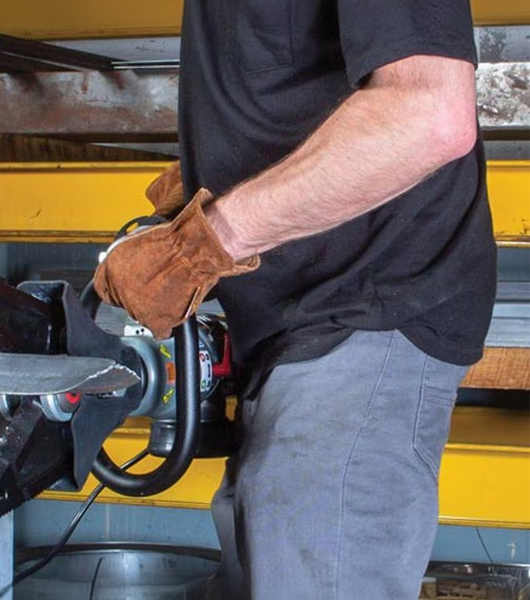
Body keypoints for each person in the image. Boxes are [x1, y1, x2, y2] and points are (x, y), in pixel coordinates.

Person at [94, 0, 497, 598]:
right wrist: (219, 174)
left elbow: (427, 114)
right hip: (294, 338)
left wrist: (203, 243)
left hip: (363, 319)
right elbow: (293, 80)